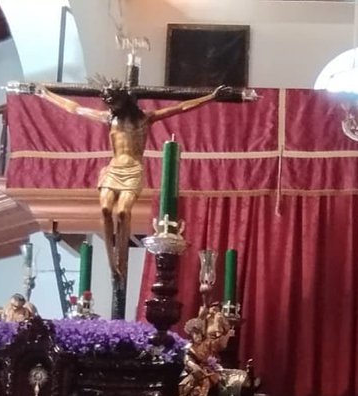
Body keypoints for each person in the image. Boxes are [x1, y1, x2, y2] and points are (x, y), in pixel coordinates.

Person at [34, 81, 227, 315]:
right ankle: (111, 260)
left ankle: (121, 260)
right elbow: (74, 108)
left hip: (133, 170)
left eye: (113, 102)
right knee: (105, 209)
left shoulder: (145, 118)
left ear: (124, 100)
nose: (110, 106)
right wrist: (46, 95)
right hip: (114, 168)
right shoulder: (109, 119)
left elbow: (181, 108)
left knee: (123, 212)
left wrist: (211, 97)